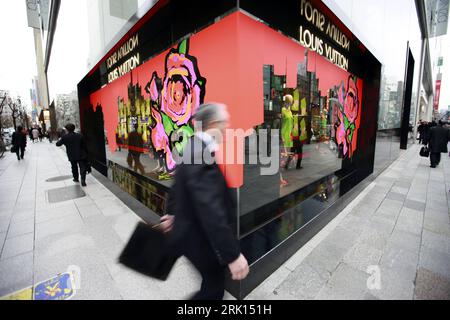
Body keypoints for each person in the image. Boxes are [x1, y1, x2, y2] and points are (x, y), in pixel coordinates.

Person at [159, 103, 249, 300]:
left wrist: (171, 212)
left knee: (211, 286)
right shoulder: (201, 153)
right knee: (213, 290)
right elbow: (210, 208)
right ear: (214, 124)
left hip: (191, 235)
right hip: (200, 239)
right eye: (225, 123)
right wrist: (232, 255)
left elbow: (178, 182)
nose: (227, 127)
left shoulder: (194, 145)